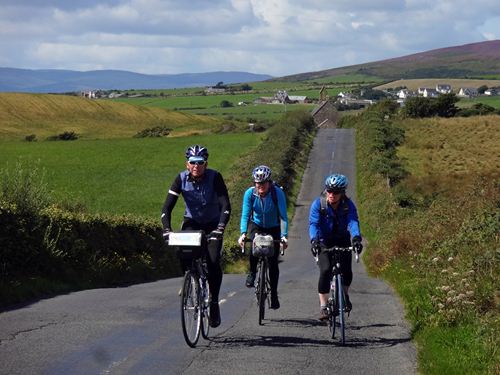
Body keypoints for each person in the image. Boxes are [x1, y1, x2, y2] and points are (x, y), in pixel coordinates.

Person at [161, 145, 231, 328]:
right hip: (192, 222)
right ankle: (189, 277)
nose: (196, 166)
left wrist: (220, 228)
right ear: (187, 164)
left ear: (206, 164)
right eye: (193, 162)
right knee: (182, 251)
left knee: (213, 261)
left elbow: (225, 205)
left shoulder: (215, 177)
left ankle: (214, 302)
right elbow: (166, 208)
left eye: (200, 163)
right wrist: (166, 229)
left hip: (213, 224)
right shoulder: (180, 179)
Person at [308, 173, 363, 321]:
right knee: (325, 270)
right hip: (324, 241)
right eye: (329, 191)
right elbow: (314, 224)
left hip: (342, 239)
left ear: (342, 192)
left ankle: (345, 295)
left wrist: (357, 238)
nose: (332, 195)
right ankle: (323, 306)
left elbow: (353, 221)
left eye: (336, 192)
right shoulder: (318, 204)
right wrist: (314, 241)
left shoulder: (348, 205)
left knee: (347, 271)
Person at [238, 165, 288, 309]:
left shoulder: (277, 193)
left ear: (269, 182)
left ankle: (273, 295)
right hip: (257, 225)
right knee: (255, 245)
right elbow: (245, 215)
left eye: (264, 183)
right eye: (258, 183)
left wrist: (284, 237)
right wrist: (242, 234)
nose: (261, 186)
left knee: (273, 262)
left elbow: (283, 217)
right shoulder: (249, 194)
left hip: (274, 227)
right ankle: (252, 273)